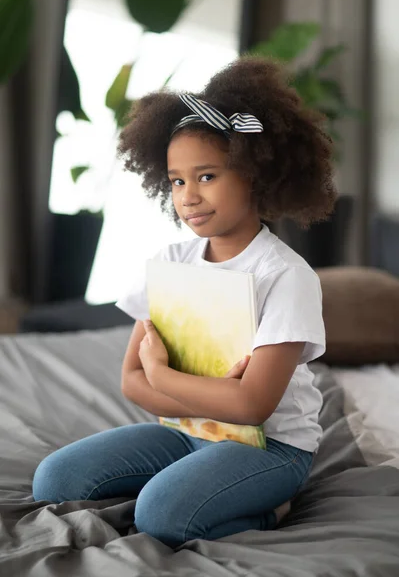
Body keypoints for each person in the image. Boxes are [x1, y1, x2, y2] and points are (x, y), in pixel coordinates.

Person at [32, 57, 336, 549]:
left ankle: (268, 512)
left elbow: (252, 406)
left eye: (208, 176)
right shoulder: (174, 260)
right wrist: (206, 392)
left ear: (255, 176)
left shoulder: (285, 276)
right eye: (177, 181)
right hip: (187, 430)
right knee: (55, 481)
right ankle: (198, 478)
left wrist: (164, 376)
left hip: (271, 447)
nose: (188, 196)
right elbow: (131, 381)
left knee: (161, 517)